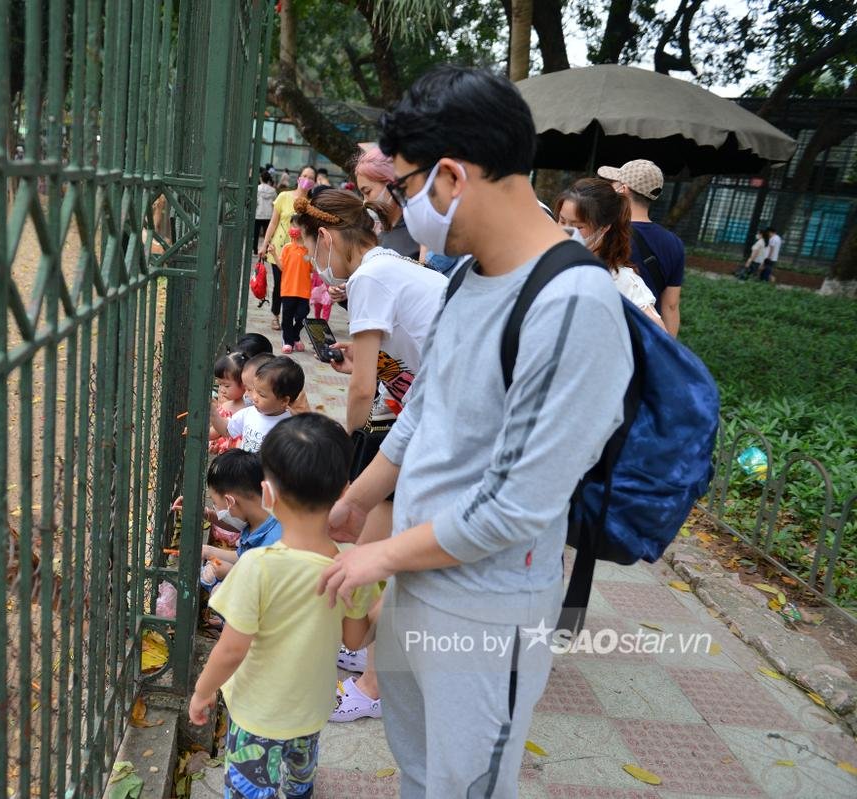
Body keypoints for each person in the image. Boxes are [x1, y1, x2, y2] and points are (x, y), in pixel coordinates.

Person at [318, 66, 633, 798]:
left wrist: (381, 554)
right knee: (422, 769)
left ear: (453, 175)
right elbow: (426, 412)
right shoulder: (465, 276)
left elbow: (519, 506)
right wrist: (356, 502)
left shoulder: (573, 304)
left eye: (402, 185)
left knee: (470, 783)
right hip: (419, 578)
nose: (396, 203)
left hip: (487, 610)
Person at [292, 188, 446, 722]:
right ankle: (363, 646)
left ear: (327, 238)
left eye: (313, 246)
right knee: (370, 538)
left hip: (453, 425)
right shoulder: (389, 268)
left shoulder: (370, 279)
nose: (317, 258)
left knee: (406, 558)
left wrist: (345, 448)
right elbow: (386, 367)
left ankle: (375, 684)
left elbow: (361, 393)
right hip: (432, 415)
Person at [189, 413, 375, 799]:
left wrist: (203, 691)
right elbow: (355, 641)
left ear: (267, 493)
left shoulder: (257, 566)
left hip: (258, 713)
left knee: (249, 789)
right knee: (299, 775)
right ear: (343, 489)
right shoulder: (353, 564)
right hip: (311, 708)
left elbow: (232, 648)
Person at [556, 177, 668, 331]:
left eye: (578, 226)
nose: (565, 230)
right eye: (562, 221)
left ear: (604, 228)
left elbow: (658, 335)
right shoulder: (550, 261)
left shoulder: (620, 280)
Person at [597, 159, 685, 336]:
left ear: (624, 189)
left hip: (609, 330)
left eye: (614, 184)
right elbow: (671, 305)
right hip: (648, 336)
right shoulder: (674, 242)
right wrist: (668, 349)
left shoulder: (606, 233)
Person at [196, 448, 284, 590]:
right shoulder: (257, 522)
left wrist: (231, 574)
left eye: (216, 503)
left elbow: (267, 591)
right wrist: (208, 551)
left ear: (230, 502)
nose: (216, 509)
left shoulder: (274, 544)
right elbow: (242, 557)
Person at [261, 165, 317, 331]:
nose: (307, 179)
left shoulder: (312, 204)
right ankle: (276, 316)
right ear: (299, 177)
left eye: (311, 177)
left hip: (301, 253)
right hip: (279, 249)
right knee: (280, 284)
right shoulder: (284, 196)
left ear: (314, 182)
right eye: (305, 175)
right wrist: (264, 244)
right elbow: (273, 222)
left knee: (297, 285)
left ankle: (292, 317)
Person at [210, 355, 303, 452]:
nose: (254, 397)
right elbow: (226, 429)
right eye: (254, 390)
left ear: (284, 401)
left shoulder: (290, 427)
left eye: (261, 394)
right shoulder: (248, 413)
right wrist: (213, 413)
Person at [352, 146, 420, 260]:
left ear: (392, 182)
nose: (365, 201)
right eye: (362, 194)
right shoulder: (376, 234)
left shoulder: (420, 230)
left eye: (367, 191)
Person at [278, 226, 312, 352]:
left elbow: (312, 268)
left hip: (303, 290)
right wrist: (274, 253)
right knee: (287, 316)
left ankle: (294, 335)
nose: (295, 229)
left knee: (302, 315)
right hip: (288, 289)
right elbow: (281, 267)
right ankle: (288, 341)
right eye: (293, 225)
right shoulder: (287, 248)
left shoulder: (309, 249)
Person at [209, 352, 248, 454]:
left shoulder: (250, 410)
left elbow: (214, 432)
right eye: (219, 384)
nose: (221, 389)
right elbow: (216, 432)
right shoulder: (225, 406)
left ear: (244, 384)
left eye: (226, 386)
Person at [254, 171, 276, 256]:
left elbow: (255, 201)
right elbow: (275, 202)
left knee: (256, 233)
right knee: (267, 234)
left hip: (258, 213)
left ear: (261, 178)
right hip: (268, 214)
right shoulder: (273, 190)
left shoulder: (257, 188)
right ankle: (266, 250)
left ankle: (255, 249)